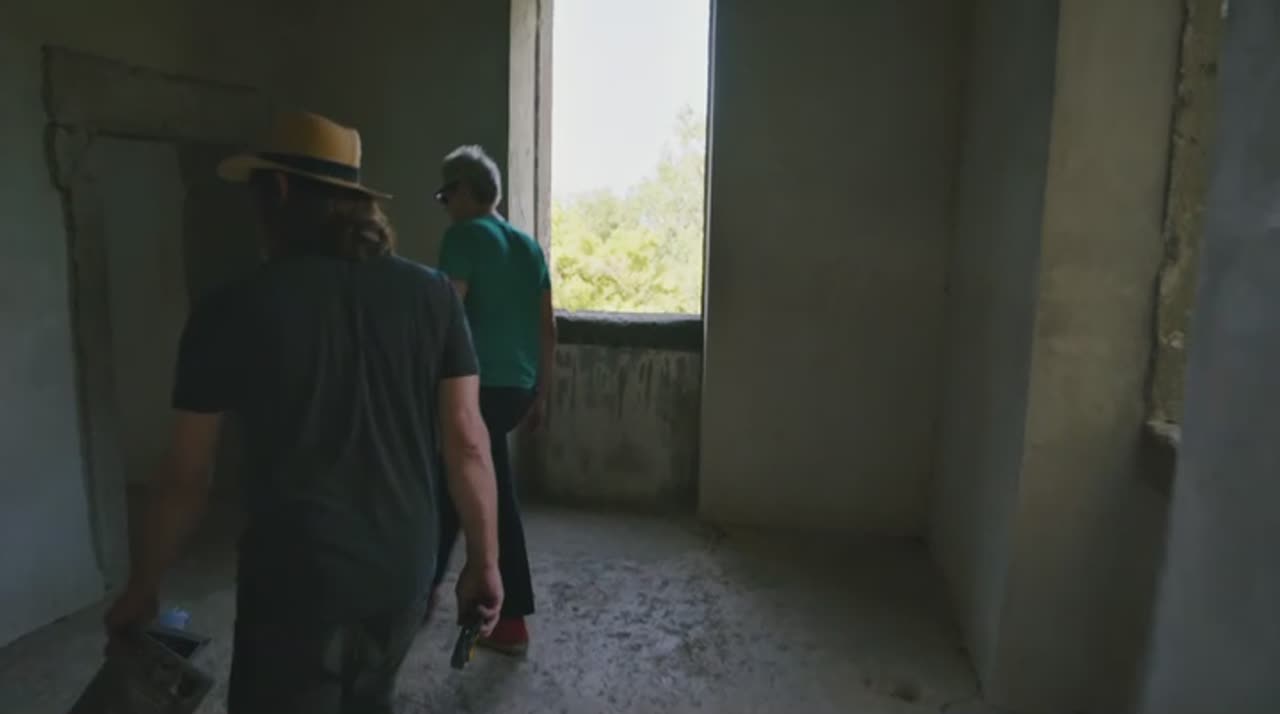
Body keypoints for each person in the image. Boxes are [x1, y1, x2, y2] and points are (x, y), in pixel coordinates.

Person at [104, 111, 504, 714]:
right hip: (403, 569)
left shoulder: (230, 308)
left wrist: (143, 586)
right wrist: (484, 560)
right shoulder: (433, 297)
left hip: (295, 581)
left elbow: (186, 477)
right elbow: (467, 441)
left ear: (280, 190)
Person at [429, 145, 556, 655]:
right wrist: (542, 394)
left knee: (455, 491)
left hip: (475, 389)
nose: (445, 207)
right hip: (517, 391)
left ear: (463, 191)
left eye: (445, 196)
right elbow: (547, 328)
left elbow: (446, 318)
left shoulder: (463, 237)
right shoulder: (528, 247)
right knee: (480, 488)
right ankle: (504, 617)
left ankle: (426, 602)